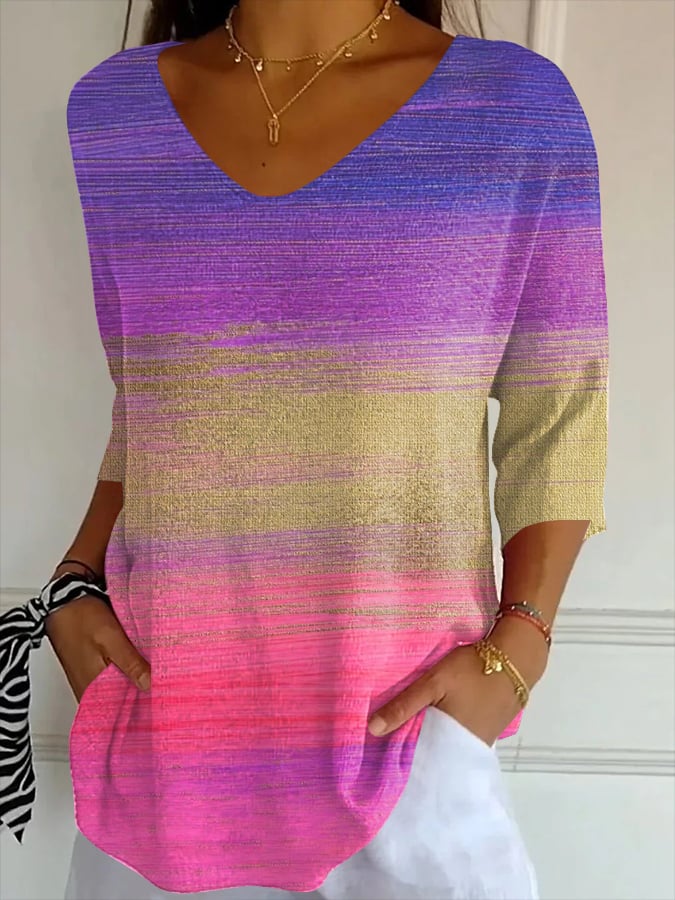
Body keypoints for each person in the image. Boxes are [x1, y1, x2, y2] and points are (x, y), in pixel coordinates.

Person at [0, 0, 609, 897]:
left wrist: (520, 649)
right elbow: (154, 402)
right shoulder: (114, 114)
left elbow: (558, 410)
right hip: (163, 750)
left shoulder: (511, 109)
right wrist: (75, 579)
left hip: (406, 752)